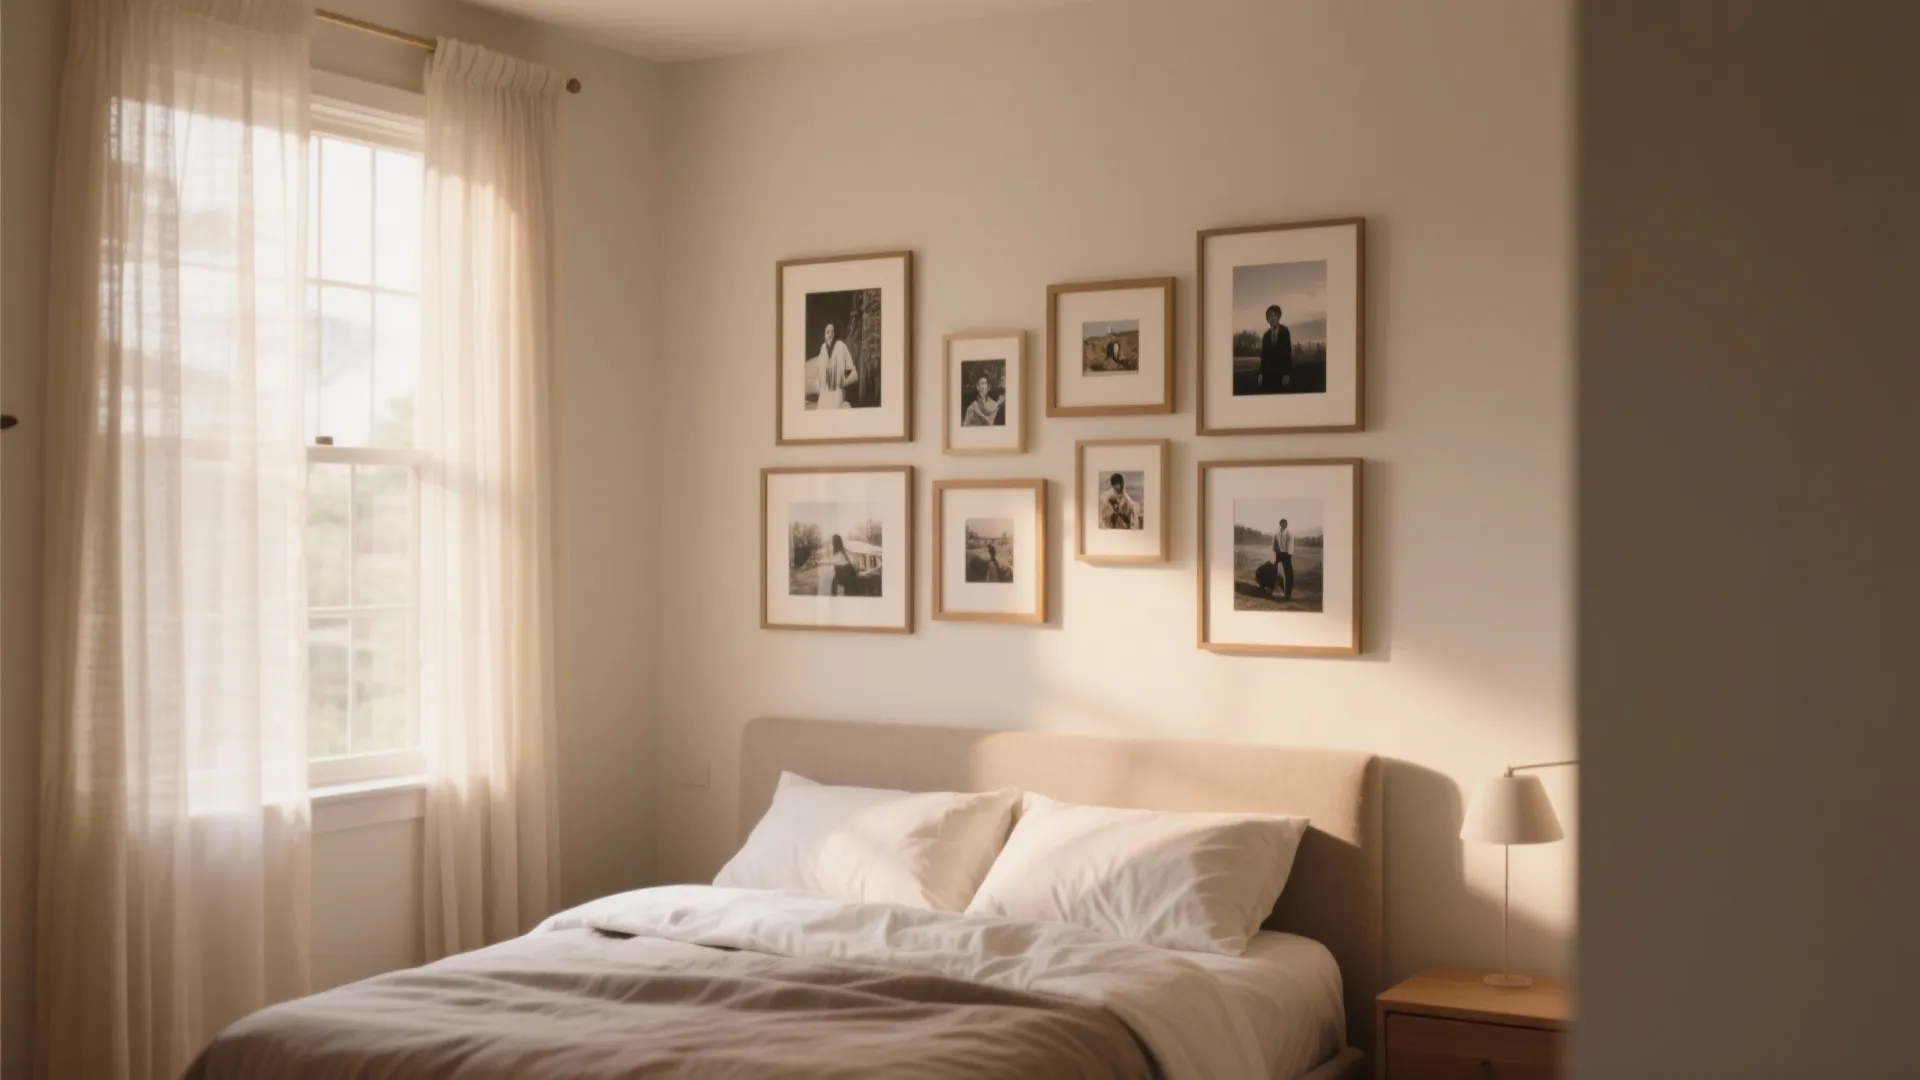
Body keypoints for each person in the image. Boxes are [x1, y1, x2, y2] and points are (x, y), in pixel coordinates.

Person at [814, 323, 857, 409]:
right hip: (824, 393)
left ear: (835, 334)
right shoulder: (823, 348)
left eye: (832, 332)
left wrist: (845, 382)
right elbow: (819, 370)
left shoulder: (841, 346)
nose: (830, 334)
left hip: (837, 391)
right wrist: (820, 384)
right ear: (824, 335)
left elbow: (853, 372)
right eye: (828, 332)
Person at [1259, 304, 1293, 393]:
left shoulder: (1284, 331)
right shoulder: (1266, 336)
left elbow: (1287, 353)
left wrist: (1287, 373)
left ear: (1278, 317)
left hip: (1282, 375)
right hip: (1268, 375)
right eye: (1269, 317)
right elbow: (1264, 357)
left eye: (1273, 316)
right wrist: (1261, 374)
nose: (1271, 319)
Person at [1272, 518, 1294, 600]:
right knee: (1276, 571)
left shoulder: (1289, 533)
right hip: (1279, 554)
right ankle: (1277, 590)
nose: (1285, 524)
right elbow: (1274, 543)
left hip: (1287, 554)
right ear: (1280, 524)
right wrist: (1276, 550)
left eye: (1286, 523)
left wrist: (1289, 553)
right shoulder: (1277, 533)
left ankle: (1288, 593)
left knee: (1288, 574)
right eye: (1283, 523)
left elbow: (1290, 544)